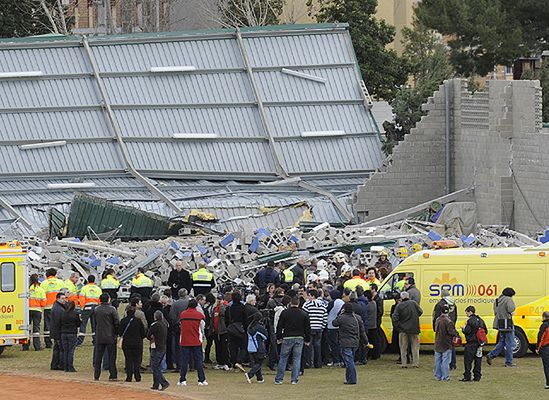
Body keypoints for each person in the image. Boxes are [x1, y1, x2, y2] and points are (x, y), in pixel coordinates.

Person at [275, 296, 311, 385]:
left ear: (290, 303)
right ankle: (294, 379)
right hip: (299, 337)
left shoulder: (285, 313)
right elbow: (307, 328)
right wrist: (307, 339)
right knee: (297, 359)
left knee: (283, 358)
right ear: (298, 303)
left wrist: (279, 337)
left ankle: (279, 379)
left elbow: (279, 326)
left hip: (287, 337)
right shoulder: (304, 313)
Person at [333, 302, 368, 385]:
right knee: (350, 360)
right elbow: (362, 332)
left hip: (345, 342)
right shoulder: (358, 318)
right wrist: (366, 341)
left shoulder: (342, 318)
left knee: (349, 361)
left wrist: (339, 314)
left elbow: (334, 323)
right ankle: (348, 378)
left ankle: (352, 379)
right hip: (355, 342)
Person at [178, 299, 208, 386]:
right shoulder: (199, 315)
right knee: (198, 361)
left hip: (185, 340)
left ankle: (182, 380)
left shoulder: (183, 314)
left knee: (184, 361)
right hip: (196, 341)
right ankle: (201, 380)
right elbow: (203, 326)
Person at [486, 287, 516, 367]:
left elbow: (495, 312)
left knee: (502, 341)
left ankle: (491, 355)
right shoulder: (508, 299)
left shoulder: (497, 300)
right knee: (509, 343)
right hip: (508, 323)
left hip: (500, 323)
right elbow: (511, 310)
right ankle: (509, 362)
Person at [392, 291, 423, 368]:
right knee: (415, 347)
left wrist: (398, 326)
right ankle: (415, 363)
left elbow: (394, 318)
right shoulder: (414, 303)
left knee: (403, 348)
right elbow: (420, 312)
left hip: (403, 330)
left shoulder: (399, 306)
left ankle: (404, 363)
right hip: (414, 329)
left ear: (401, 298)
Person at [93, 293, 120, 381]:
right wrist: (116, 333)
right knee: (112, 357)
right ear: (108, 299)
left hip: (99, 335)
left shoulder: (96, 309)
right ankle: (113, 375)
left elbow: (94, 322)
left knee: (98, 357)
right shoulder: (112, 309)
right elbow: (116, 322)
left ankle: (96, 375)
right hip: (110, 336)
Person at [461, 305, 488, 382]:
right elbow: (485, 331)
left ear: (470, 312)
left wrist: (463, 329)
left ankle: (467, 376)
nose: (466, 315)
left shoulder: (470, 321)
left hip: (471, 343)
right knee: (478, 360)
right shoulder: (481, 320)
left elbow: (467, 331)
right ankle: (477, 376)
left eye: (467, 313)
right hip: (479, 344)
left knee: (468, 361)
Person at [302, 289, 328, 369]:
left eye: (309, 295)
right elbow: (325, 318)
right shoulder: (323, 305)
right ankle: (318, 364)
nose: (308, 297)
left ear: (312, 296)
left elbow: (304, 316)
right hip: (319, 328)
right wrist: (322, 327)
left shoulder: (307, 304)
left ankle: (309, 363)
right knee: (318, 346)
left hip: (310, 328)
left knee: (309, 346)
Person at [119, 306, 146, 382]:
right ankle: (137, 376)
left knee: (128, 360)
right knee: (137, 360)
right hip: (137, 342)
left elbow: (120, 332)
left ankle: (129, 377)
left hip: (127, 343)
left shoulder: (123, 321)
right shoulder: (138, 321)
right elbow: (143, 333)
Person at [433, 289, 458, 369]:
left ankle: (442, 365)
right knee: (451, 346)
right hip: (451, 326)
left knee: (441, 347)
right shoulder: (453, 303)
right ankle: (452, 364)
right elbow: (456, 316)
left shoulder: (440, 304)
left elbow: (436, 317)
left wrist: (435, 327)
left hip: (441, 327)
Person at [40, 268, 65, 348]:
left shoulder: (43, 283)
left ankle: (48, 342)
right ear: (55, 274)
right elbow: (65, 294)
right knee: (59, 324)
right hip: (58, 307)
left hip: (47, 307)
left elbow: (41, 296)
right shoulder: (61, 282)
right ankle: (58, 341)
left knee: (47, 325)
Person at [434, 305, 457, 381]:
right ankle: (445, 376)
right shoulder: (449, 321)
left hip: (438, 342)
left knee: (438, 361)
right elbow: (451, 332)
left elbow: (435, 329)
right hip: (446, 343)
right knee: (445, 361)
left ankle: (438, 376)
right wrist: (457, 334)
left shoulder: (437, 320)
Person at [148, 310, 170, 391]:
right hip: (163, 347)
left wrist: (152, 337)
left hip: (156, 347)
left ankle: (163, 382)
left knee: (155, 366)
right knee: (157, 365)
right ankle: (155, 384)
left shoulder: (154, 325)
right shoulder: (165, 324)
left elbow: (148, 335)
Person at [77, 275, 102, 346]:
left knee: (83, 324)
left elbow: (82, 299)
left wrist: (82, 308)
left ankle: (80, 340)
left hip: (87, 308)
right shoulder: (98, 288)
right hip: (96, 308)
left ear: (87, 280)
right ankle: (95, 340)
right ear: (94, 280)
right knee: (94, 325)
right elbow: (100, 299)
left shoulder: (84, 288)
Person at [226, 291, 247, 372]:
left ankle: (233, 363)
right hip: (240, 329)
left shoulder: (229, 307)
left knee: (232, 347)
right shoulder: (242, 307)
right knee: (243, 347)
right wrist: (245, 328)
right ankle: (239, 361)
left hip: (231, 329)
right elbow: (245, 319)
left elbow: (227, 319)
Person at [24, 274, 45, 351]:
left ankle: (25, 346)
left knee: (27, 328)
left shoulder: (27, 289)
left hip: (28, 310)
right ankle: (37, 346)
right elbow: (43, 303)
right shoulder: (41, 290)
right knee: (36, 329)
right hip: (37, 310)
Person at [245, 312, 268, 384]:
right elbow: (265, 336)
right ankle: (250, 374)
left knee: (256, 362)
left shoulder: (249, 327)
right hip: (258, 347)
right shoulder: (259, 327)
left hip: (250, 347)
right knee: (259, 363)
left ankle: (259, 378)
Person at [169, 288, 189, 370]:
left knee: (178, 346)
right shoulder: (189, 303)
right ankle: (190, 364)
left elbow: (172, 316)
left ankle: (179, 365)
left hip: (178, 326)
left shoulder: (175, 304)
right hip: (188, 326)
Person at [210, 293, 230, 370]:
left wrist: (221, 305)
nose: (218, 300)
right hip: (216, 331)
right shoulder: (214, 308)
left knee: (224, 347)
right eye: (218, 299)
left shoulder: (225, 307)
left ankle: (225, 362)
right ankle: (220, 362)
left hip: (223, 331)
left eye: (220, 299)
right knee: (218, 347)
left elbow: (224, 316)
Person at [60, 300, 81, 372]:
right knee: (71, 351)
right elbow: (78, 324)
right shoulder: (75, 314)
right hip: (72, 333)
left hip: (63, 333)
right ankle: (70, 366)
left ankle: (65, 367)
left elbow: (60, 322)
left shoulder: (62, 313)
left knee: (65, 350)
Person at [326, 289, 344, 366]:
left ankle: (336, 360)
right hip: (340, 325)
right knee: (340, 343)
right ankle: (341, 359)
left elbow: (326, 311)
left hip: (331, 325)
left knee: (333, 344)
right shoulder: (342, 302)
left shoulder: (332, 302)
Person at [50, 292, 67, 370]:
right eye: (62, 299)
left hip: (56, 331)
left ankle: (54, 365)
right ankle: (60, 365)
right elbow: (58, 322)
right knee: (60, 349)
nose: (64, 300)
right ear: (57, 299)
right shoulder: (58, 309)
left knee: (57, 348)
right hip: (58, 332)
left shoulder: (57, 306)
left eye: (65, 298)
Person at [364, 290, 379, 361]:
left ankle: (368, 354)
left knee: (368, 341)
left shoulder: (367, 305)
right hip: (374, 324)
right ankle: (375, 354)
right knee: (374, 340)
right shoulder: (374, 303)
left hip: (368, 325)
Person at [370, 283, 384, 360]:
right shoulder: (375, 298)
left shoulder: (378, 299)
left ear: (374, 289)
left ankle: (377, 353)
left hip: (376, 321)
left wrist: (375, 318)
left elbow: (380, 311)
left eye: (370, 289)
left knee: (376, 337)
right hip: (375, 320)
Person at [536, 311, 549, 389]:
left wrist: (538, 348)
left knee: (547, 366)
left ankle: (548, 383)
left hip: (546, 348)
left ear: (543, 317)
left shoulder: (544, 326)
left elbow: (541, 338)